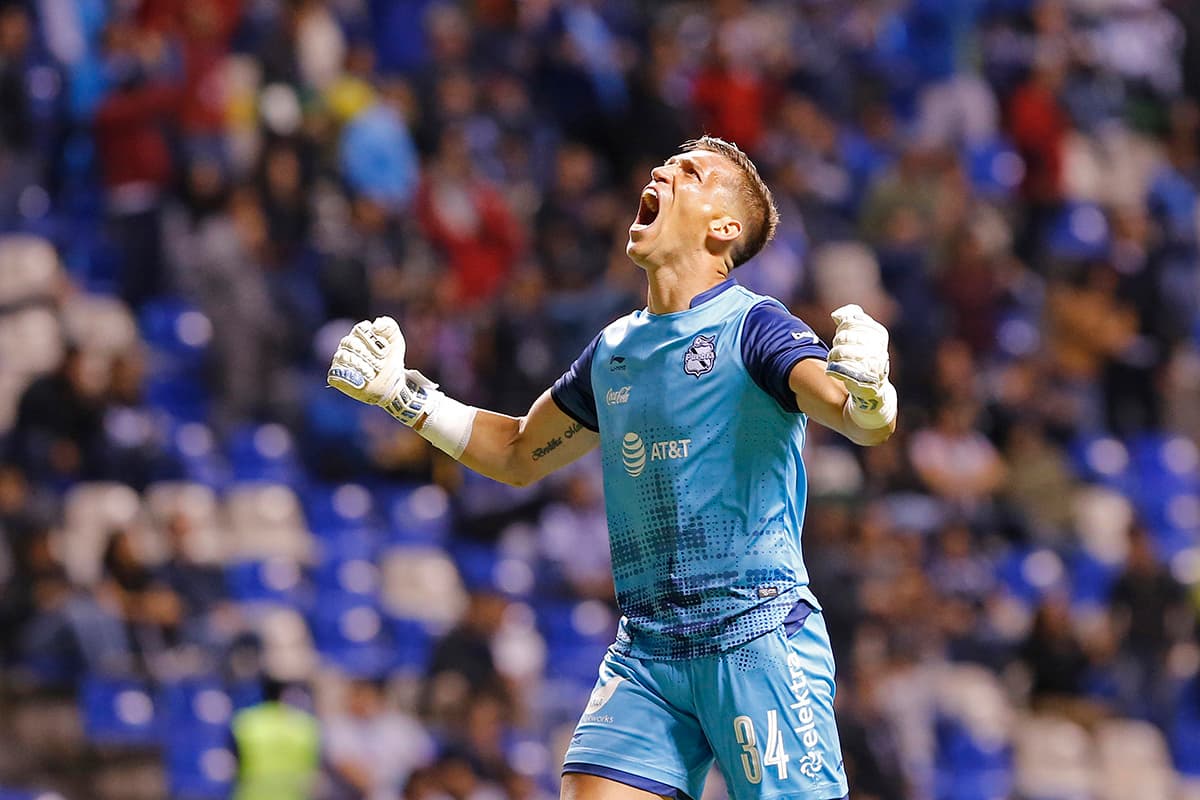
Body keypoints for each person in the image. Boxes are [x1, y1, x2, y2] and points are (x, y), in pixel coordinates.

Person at [328, 136, 898, 800]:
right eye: (666, 164)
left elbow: (859, 419)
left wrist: (871, 389)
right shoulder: (615, 351)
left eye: (690, 173)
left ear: (724, 229)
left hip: (756, 637)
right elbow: (516, 453)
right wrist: (406, 395)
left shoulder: (755, 328)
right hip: (649, 649)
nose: (661, 170)